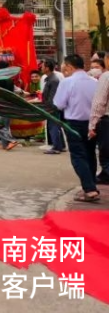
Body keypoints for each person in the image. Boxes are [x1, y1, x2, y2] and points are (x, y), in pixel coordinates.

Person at [53, 54, 100, 202]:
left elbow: (59, 104)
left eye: (64, 66)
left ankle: (90, 189)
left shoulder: (67, 82)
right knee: (90, 154)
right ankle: (91, 184)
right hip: (93, 123)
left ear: (69, 67)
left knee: (78, 156)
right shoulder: (94, 81)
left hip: (74, 123)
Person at [41, 59, 65, 154]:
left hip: (52, 108)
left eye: (43, 66)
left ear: (47, 68)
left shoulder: (53, 80)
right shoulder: (50, 78)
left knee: (53, 127)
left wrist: (48, 108)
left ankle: (56, 147)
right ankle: (60, 145)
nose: (41, 68)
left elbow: (52, 97)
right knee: (56, 126)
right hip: (51, 107)